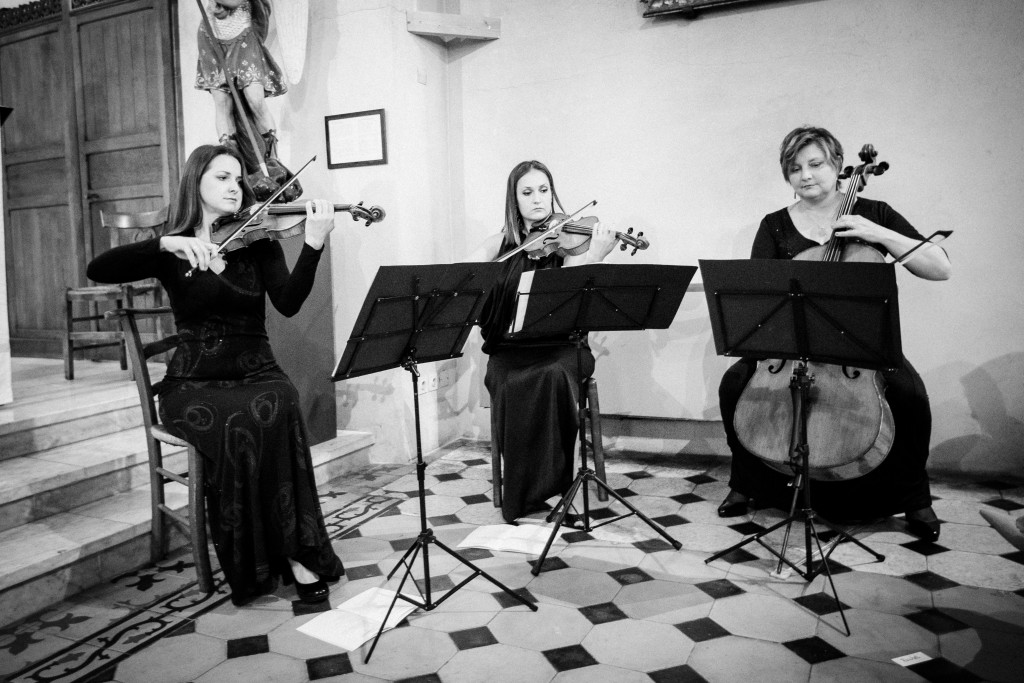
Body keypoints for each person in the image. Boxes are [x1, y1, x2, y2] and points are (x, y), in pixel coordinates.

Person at [87, 144, 344, 605]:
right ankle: (259, 558)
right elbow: (98, 269)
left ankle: (295, 552)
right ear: (197, 185)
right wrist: (164, 242)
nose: (234, 187)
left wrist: (313, 244)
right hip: (194, 381)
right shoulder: (175, 246)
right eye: (222, 178)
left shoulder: (258, 239)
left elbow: (287, 302)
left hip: (256, 368)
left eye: (238, 179)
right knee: (237, 421)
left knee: (279, 405)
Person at [716, 126, 952, 541]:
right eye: (794, 169)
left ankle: (915, 497)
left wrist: (878, 234)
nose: (805, 175)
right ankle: (748, 482)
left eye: (815, 164)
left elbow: (939, 267)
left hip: (860, 347)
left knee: (910, 396)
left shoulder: (874, 212)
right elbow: (759, 292)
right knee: (734, 383)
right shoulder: (774, 225)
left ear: (839, 166)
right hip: (790, 344)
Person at [466, 160, 617, 524]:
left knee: (551, 376)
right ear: (513, 200)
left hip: (563, 348)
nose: (538, 199)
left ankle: (554, 490)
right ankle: (526, 496)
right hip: (508, 351)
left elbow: (576, 297)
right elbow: (469, 291)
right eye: (527, 192)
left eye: (544, 190)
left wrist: (595, 255)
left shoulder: (569, 244)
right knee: (511, 381)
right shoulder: (496, 245)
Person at [195, 0, 285, 152]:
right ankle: (231, 154)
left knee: (255, 100)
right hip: (212, 33)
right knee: (222, 102)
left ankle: (272, 156)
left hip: (243, 31)